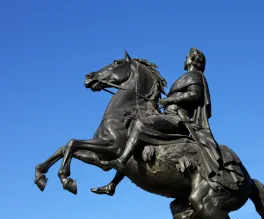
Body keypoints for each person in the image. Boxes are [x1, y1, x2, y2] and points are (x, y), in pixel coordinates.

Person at [96, 48, 243, 193]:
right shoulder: (188, 76)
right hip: (170, 114)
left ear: (192, 60)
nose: (185, 59)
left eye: (187, 57)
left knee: (140, 124)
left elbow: (194, 95)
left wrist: (169, 100)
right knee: (133, 139)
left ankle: (121, 161)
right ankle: (113, 184)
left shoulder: (194, 75)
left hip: (178, 118)